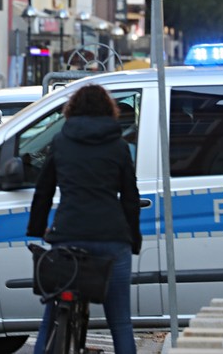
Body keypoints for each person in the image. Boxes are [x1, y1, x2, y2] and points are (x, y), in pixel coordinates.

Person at [26, 84, 141, 354]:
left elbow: (44, 190)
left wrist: (37, 228)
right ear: (108, 111)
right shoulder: (119, 146)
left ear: (72, 110)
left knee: (51, 319)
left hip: (68, 234)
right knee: (121, 322)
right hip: (111, 238)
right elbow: (130, 198)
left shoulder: (61, 142)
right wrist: (132, 239)